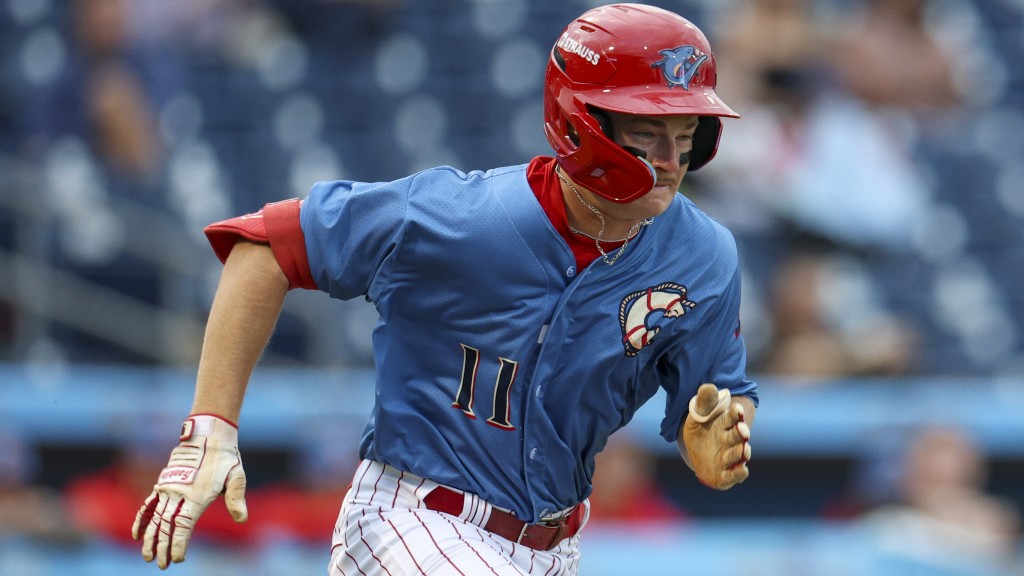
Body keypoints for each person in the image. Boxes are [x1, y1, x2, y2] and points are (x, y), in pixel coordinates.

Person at [131, 4, 758, 574]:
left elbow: (720, 398)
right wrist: (210, 426)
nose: (671, 157)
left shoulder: (702, 256)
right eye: (648, 130)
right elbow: (263, 248)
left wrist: (718, 439)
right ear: (581, 121)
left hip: (555, 547)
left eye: (686, 132)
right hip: (415, 519)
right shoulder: (461, 215)